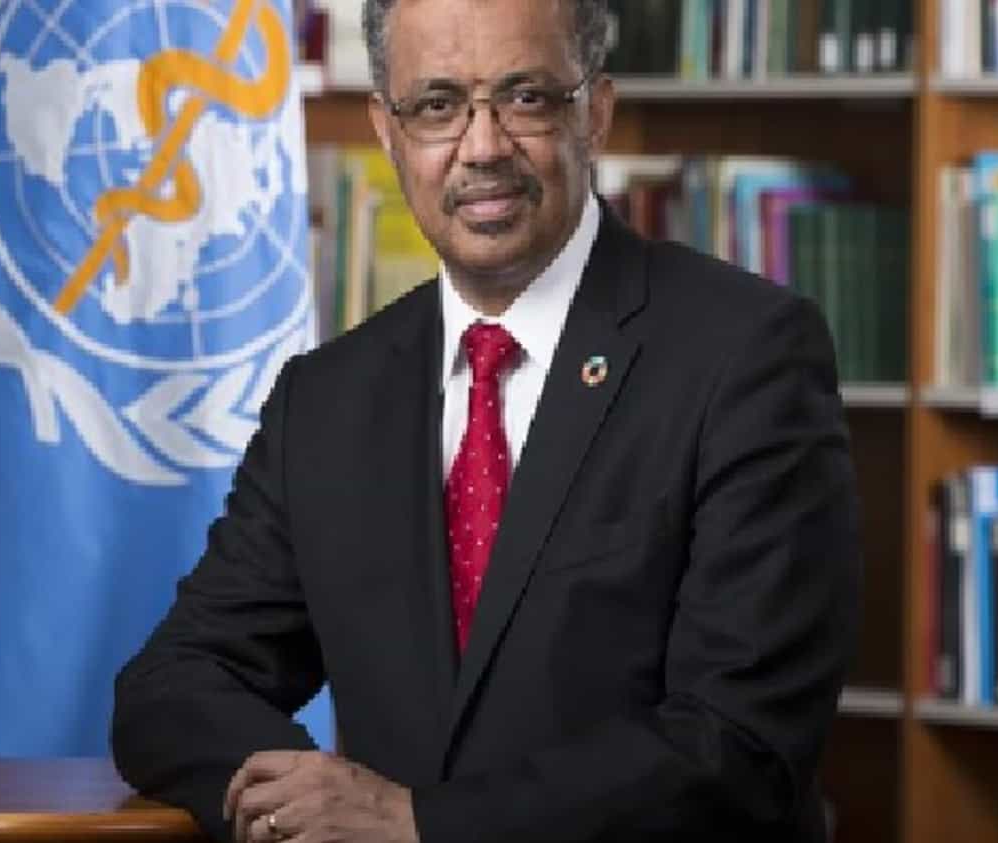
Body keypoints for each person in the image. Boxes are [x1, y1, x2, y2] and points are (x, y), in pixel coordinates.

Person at [111, 0, 861, 840]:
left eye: (525, 97)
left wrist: (420, 824)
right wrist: (308, 804)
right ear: (388, 131)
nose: (482, 147)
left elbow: (741, 743)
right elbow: (172, 684)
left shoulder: (746, 356)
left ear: (595, 112)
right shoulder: (325, 401)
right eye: (437, 105)